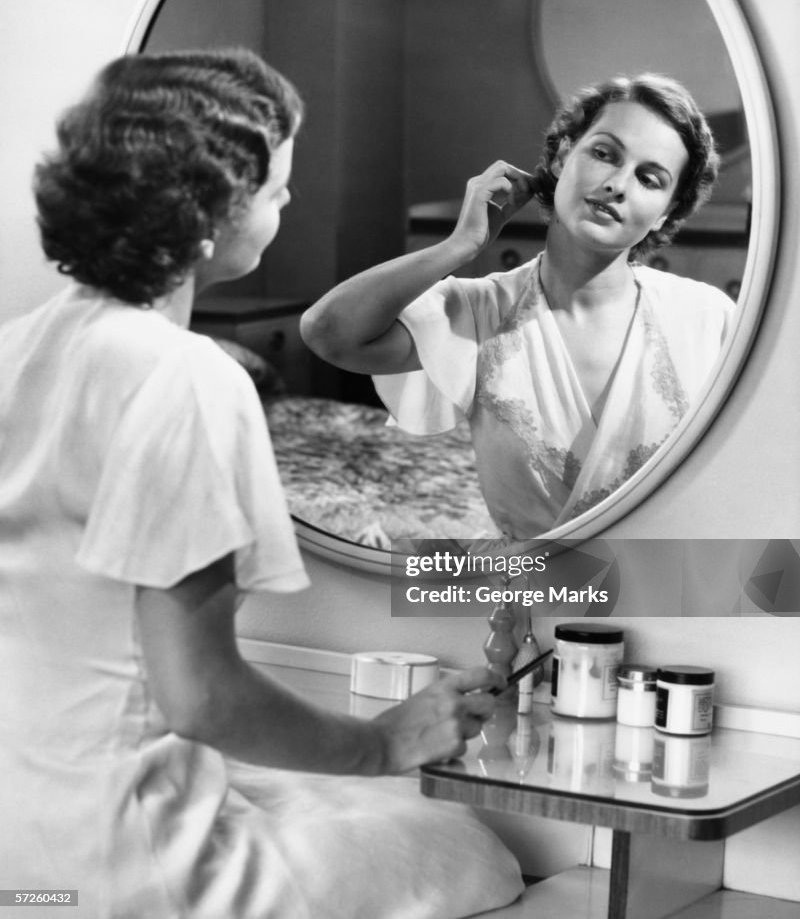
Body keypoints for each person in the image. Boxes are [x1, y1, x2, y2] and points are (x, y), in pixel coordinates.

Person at [0, 49, 524, 917]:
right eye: (278, 189)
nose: (289, 203)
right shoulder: (183, 377)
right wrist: (382, 744)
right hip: (120, 868)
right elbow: (202, 697)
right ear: (207, 217)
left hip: (21, 861)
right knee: (466, 850)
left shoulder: (12, 352)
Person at [301, 74, 735, 540]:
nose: (617, 184)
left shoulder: (707, 317)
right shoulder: (479, 311)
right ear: (564, 154)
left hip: (672, 594)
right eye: (604, 153)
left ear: (666, 212)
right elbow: (328, 333)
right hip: (531, 602)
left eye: (649, 179)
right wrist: (459, 247)